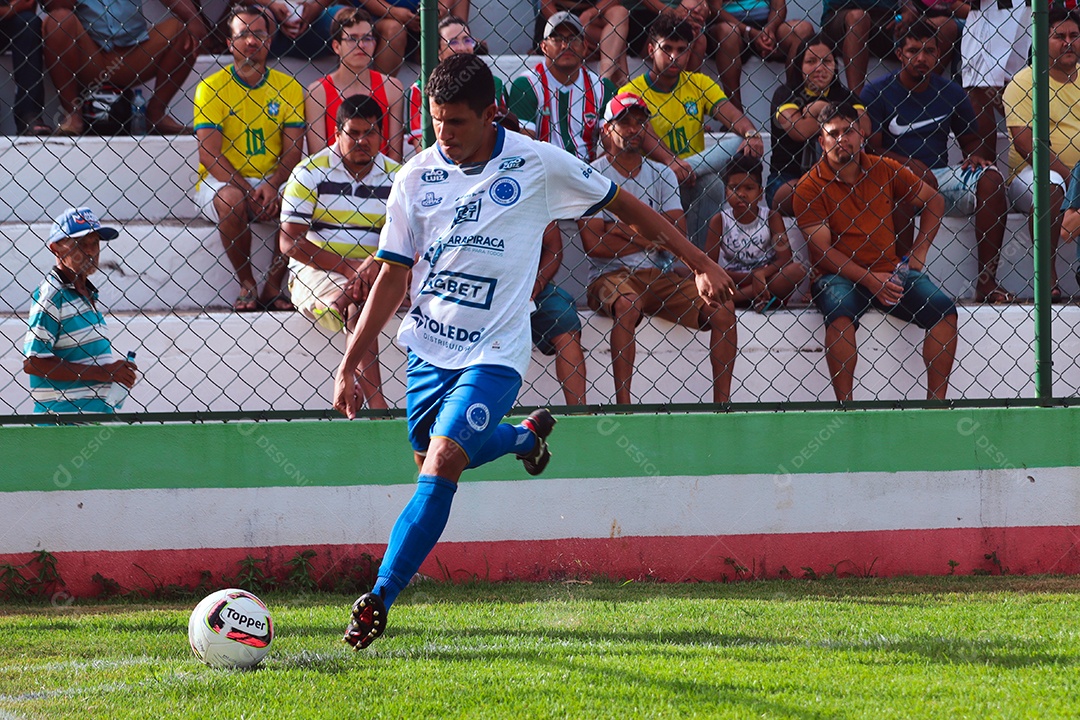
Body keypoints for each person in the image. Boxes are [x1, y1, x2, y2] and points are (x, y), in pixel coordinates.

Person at [333, 54, 733, 649]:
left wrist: (700, 261)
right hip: (427, 345)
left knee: (443, 461)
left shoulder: (537, 163)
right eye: (437, 121)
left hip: (495, 350)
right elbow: (392, 276)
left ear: (492, 113)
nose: (445, 134)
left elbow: (626, 205)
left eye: (458, 122)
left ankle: (379, 597)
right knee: (431, 461)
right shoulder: (415, 176)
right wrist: (348, 361)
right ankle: (523, 437)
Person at [793, 102, 957, 403]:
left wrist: (918, 252)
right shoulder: (809, 186)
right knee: (840, 317)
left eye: (849, 131)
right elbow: (824, 253)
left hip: (891, 270)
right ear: (822, 141)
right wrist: (870, 280)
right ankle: (847, 409)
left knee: (944, 311)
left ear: (862, 134)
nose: (842, 139)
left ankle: (936, 406)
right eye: (834, 133)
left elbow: (934, 200)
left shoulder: (883, 167)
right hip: (838, 276)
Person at [580, 92, 738, 404]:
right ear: (605, 130)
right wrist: (652, 232)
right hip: (612, 275)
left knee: (723, 310)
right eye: (623, 122)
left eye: (640, 122)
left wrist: (620, 230)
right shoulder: (592, 175)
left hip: (659, 274)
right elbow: (593, 244)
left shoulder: (662, 172)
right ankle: (624, 407)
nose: (633, 129)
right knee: (627, 304)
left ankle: (723, 406)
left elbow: (677, 232)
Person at [862, 20, 1010, 304]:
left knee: (991, 178)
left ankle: (987, 281)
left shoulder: (950, 92)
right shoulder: (877, 92)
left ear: (938, 54)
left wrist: (976, 155)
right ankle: (902, 276)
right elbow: (871, 151)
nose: (921, 58)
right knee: (900, 186)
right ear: (899, 53)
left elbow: (970, 141)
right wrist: (907, 166)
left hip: (937, 179)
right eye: (913, 50)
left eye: (929, 51)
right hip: (890, 178)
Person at [280, 95, 399, 410]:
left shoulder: (399, 177)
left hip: (379, 267)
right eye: (354, 133)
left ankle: (361, 393)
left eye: (370, 133)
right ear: (337, 134)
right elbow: (290, 242)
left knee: (362, 294)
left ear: (381, 136)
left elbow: (410, 237)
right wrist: (350, 268)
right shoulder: (309, 172)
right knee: (360, 301)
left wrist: (371, 264)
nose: (362, 141)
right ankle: (378, 407)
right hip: (318, 269)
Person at [193, 5, 306, 313]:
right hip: (224, 182)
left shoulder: (289, 88)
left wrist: (271, 184)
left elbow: (294, 151)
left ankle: (273, 285)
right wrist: (247, 190)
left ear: (270, 41)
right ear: (230, 43)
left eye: (259, 34)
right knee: (231, 201)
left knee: (304, 198)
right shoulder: (210, 89)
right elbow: (209, 154)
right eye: (243, 34)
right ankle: (247, 283)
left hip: (273, 179)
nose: (251, 41)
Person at [621, 14, 764, 247]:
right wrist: (671, 162)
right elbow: (640, 133)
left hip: (693, 179)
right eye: (666, 48)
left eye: (681, 50)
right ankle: (699, 262)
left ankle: (698, 266)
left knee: (729, 156)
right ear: (650, 50)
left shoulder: (698, 82)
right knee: (713, 183)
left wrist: (751, 134)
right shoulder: (631, 92)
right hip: (656, 183)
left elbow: (731, 114)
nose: (674, 57)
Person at [23, 207, 138, 415]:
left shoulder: (87, 295)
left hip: (86, 424)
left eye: (95, 242)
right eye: (80, 244)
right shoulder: (53, 295)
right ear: (56, 248)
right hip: (63, 426)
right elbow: (35, 362)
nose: (91, 251)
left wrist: (114, 372)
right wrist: (102, 373)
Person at [42, 0, 205, 135]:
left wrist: (192, 16)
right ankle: (72, 115)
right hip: (89, 56)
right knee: (59, 20)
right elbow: (54, 5)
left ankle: (156, 114)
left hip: (133, 54)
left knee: (182, 31)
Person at [1003, 8, 1075, 302]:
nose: (1068, 42)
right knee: (1051, 183)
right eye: (1059, 36)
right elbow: (1027, 145)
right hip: (1031, 179)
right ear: (1042, 41)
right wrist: (1076, 181)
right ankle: (1047, 276)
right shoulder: (1024, 82)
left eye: (1074, 35)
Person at [767, 34, 865, 215]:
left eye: (826, 61)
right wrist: (839, 116)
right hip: (788, 179)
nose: (819, 68)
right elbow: (800, 131)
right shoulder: (786, 94)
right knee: (808, 195)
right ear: (799, 65)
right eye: (811, 61)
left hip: (841, 177)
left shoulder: (844, 94)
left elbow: (864, 127)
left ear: (835, 65)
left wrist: (821, 108)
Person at [707, 157, 807, 310]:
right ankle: (756, 297)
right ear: (726, 192)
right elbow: (709, 265)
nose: (741, 194)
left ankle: (738, 299)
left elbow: (785, 259)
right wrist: (751, 277)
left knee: (796, 271)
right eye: (735, 188)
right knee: (687, 275)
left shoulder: (771, 217)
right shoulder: (720, 221)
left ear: (760, 193)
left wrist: (762, 274)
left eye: (749, 188)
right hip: (733, 281)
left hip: (767, 279)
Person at [304, 8, 404, 161]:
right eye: (352, 39)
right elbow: (318, 158)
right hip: (334, 178)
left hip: (381, 177)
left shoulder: (392, 88)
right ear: (337, 46)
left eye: (367, 38)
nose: (361, 45)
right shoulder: (318, 92)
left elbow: (395, 156)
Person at [404, 15, 506, 155]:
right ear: (438, 51)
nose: (462, 48)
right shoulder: (420, 89)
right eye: (453, 42)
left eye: (467, 40)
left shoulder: (494, 83)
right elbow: (422, 146)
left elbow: (504, 132)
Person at [821, 0, 960, 97]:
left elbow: (907, 4)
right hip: (843, 14)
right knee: (858, 17)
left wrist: (909, 10)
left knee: (945, 26)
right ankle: (857, 100)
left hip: (887, 17)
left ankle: (920, 93)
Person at [709, 0, 814, 111]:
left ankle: (793, 105)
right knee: (728, 32)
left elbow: (779, 6)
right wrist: (750, 32)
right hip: (730, 26)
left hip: (765, 26)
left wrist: (770, 29)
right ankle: (734, 114)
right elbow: (714, 9)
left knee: (802, 29)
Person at [960, 0, 1030, 163]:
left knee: (978, 89)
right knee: (1018, 90)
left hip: (993, 13)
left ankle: (987, 172)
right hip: (1025, 12)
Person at [534, 0, 630, 84]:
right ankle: (621, 83)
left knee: (620, 13)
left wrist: (590, 13)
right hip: (558, 19)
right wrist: (571, 37)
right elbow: (545, 4)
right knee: (618, 41)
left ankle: (605, 75)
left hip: (589, 16)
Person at [1, 0, 48, 135]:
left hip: (14, 20)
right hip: (9, 12)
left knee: (28, 22)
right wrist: (9, 10)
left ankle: (29, 115)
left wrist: (12, 9)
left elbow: (26, 4)